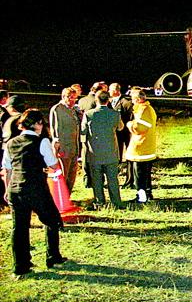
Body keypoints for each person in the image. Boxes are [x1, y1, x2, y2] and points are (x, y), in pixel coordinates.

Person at [2, 109, 67, 277]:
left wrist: (7, 189)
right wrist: (54, 150)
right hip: (36, 189)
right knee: (52, 220)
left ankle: (20, 267)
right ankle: (53, 257)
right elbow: (53, 165)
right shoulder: (41, 141)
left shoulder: (11, 143)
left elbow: (7, 169)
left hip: (15, 188)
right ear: (38, 124)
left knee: (19, 228)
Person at [81, 91, 124, 208]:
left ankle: (100, 202)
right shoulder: (115, 114)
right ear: (108, 100)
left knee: (97, 180)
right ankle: (116, 202)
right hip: (111, 152)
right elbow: (120, 128)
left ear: (96, 100)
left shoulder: (89, 114)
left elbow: (83, 132)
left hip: (94, 152)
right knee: (113, 179)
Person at [125, 88, 157, 203]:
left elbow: (140, 128)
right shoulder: (147, 108)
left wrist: (129, 124)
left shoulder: (143, 110)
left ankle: (142, 197)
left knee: (139, 175)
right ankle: (147, 194)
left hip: (141, 148)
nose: (132, 101)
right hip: (146, 147)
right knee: (145, 174)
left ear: (138, 99)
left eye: (133, 99)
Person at [49, 87, 81, 194]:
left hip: (74, 147)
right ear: (63, 97)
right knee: (63, 174)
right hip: (63, 148)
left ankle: (68, 196)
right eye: (70, 97)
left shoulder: (74, 110)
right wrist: (57, 147)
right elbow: (55, 130)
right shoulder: (57, 109)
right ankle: (60, 197)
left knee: (72, 175)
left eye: (74, 98)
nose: (72, 100)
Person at [108, 83, 134, 187]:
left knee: (129, 157)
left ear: (115, 91)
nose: (109, 92)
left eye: (110, 90)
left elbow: (131, 118)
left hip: (125, 134)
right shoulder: (109, 102)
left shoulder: (126, 103)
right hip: (114, 135)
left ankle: (130, 180)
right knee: (116, 157)